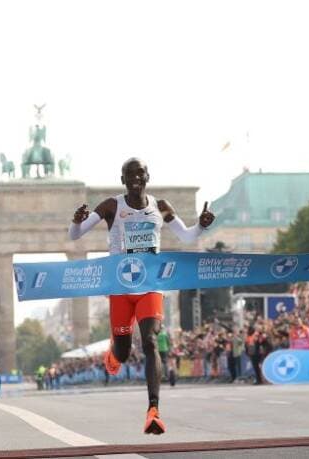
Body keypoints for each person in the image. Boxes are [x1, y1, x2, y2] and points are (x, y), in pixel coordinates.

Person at [68, 157, 214, 434]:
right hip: (120, 287)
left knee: (149, 341)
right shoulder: (112, 205)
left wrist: (202, 226)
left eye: (141, 173)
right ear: (122, 179)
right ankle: (115, 349)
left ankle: (153, 410)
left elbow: (186, 236)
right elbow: (75, 236)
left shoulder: (161, 206)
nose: (136, 178)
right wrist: (76, 223)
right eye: (130, 174)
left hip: (150, 285)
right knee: (123, 354)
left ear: (148, 176)